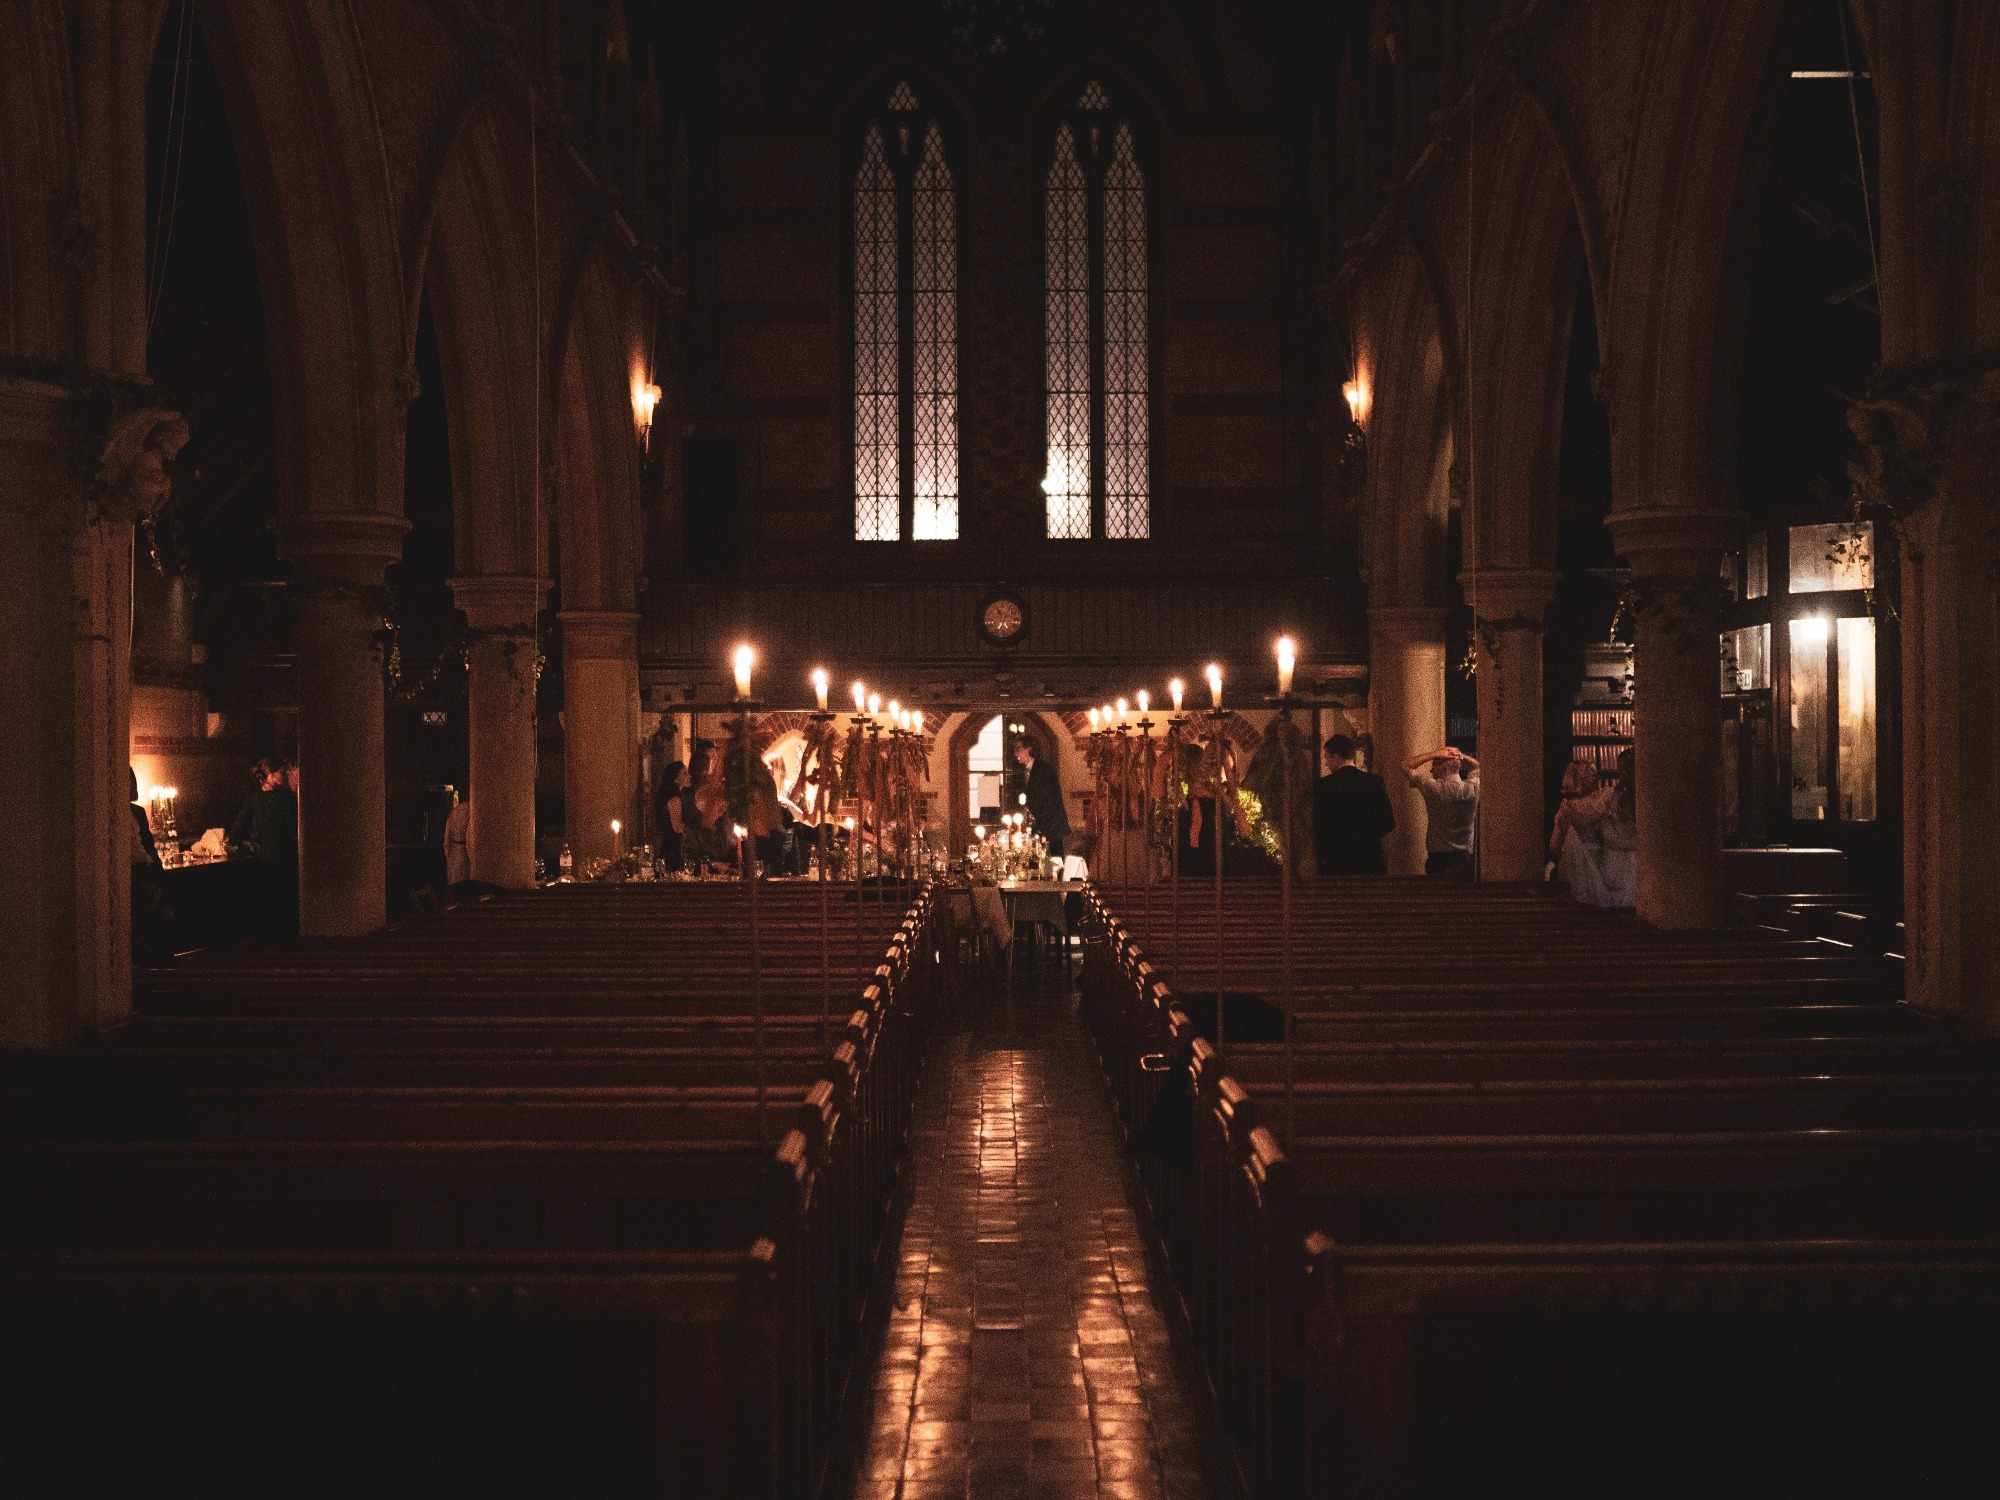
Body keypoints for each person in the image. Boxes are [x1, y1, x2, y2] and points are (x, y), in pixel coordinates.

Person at [228, 758, 299, 934]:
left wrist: (249, 843)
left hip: (263, 858)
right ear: (270, 775)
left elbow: (236, 829)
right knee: (288, 904)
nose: (284, 776)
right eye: (281, 773)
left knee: (270, 903)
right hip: (285, 857)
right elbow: (293, 830)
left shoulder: (253, 798)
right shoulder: (284, 797)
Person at [1313, 734, 1396, 875]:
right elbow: (1388, 823)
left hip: (1336, 864)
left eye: (1327, 757)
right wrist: (1367, 835)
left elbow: (1317, 825)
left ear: (1336, 756)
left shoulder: (1323, 786)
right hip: (1370, 861)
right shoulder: (1374, 782)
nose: (1326, 763)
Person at [1403, 745, 1479, 879]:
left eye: (1434, 766)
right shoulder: (1472, 788)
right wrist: (1460, 755)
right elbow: (1478, 767)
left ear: (1442, 769)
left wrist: (1435, 753)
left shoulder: (1433, 788)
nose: (1431, 771)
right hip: (1465, 859)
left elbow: (1406, 765)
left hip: (1439, 859)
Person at [1549, 760, 1616, 905]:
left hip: (1572, 867)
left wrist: (1571, 853)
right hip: (1602, 865)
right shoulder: (1602, 805)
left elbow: (1554, 845)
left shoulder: (1565, 811)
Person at [1015, 737, 1070, 851]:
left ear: (1028, 749)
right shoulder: (1031, 769)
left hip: (1050, 827)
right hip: (1042, 826)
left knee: (1053, 863)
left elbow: (1048, 801)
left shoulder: (1043, 769)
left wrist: (1037, 824)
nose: (1015, 753)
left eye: (1018, 749)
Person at [655, 760, 688, 872]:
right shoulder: (674, 799)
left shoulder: (673, 796)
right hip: (674, 849)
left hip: (669, 846)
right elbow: (677, 827)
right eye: (684, 773)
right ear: (675, 778)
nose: (688, 776)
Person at [443, 791, 473, 887]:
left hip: (453, 854)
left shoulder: (454, 811)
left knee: (454, 886)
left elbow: (446, 840)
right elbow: (469, 839)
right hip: (465, 854)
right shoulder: (472, 812)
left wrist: (449, 857)